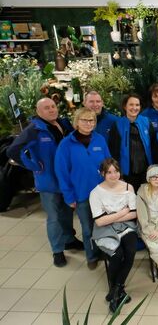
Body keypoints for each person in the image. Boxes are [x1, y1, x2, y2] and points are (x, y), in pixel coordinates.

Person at [7, 98, 81, 267]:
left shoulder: (63, 123)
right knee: (54, 216)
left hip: (66, 178)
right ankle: (57, 250)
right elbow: (13, 150)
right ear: (39, 111)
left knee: (67, 212)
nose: (51, 110)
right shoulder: (34, 129)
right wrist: (32, 165)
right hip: (49, 181)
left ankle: (69, 239)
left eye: (53, 106)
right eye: (46, 108)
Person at [55, 107, 111, 269]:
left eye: (91, 120)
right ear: (76, 122)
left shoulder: (99, 140)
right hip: (81, 195)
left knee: (102, 225)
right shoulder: (66, 145)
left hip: (102, 193)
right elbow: (62, 172)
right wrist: (69, 197)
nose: (88, 123)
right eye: (84, 120)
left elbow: (109, 163)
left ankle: (103, 251)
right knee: (87, 229)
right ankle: (91, 256)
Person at [89, 158, 137, 313]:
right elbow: (100, 223)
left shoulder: (128, 187)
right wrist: (123, 212)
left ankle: (116, 290)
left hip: (127, 227)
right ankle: (118, 290)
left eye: (116, 171)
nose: (113, 175)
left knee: (130, 252)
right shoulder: (95, 193)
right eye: (109, 172)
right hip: (105, 230)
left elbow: (134, 213)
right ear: (102, 173)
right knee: (117, 255)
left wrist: (113, 216)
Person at [108, 93, 154, 191]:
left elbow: (154, 146)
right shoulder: (117, 125)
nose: (134, 108)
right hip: (127, 173)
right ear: (125, 106)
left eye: (137, 105)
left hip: (146, 172)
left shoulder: (146, 122)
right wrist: (118, 173)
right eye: (131, 104)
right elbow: (114, 152)